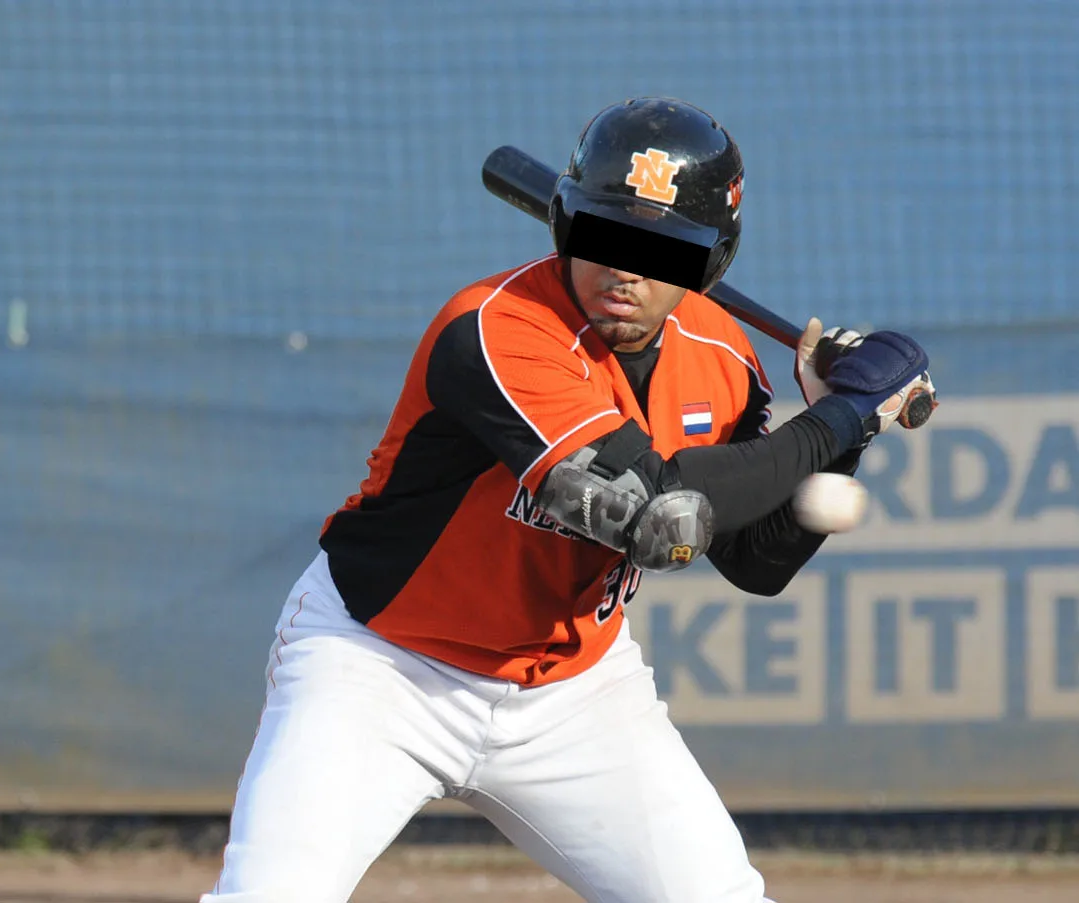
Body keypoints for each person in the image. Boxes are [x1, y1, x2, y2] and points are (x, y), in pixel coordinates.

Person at [201, 97, 935, 903]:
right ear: (564, 223)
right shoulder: (496, 328)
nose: (625, 270)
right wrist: (838, 415)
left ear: (710, 262)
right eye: (607, 235)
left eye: (662, 251)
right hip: (382, 665)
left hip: (574, 692)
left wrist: (849, 430)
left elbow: (756, 563)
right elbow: (663, 518)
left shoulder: (722, 358)